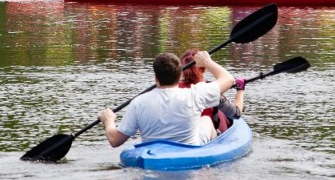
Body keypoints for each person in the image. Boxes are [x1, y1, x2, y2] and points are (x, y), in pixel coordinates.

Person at [98, 51, 234, 147]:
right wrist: (207, 62)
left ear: (156, 77)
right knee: (205, 120)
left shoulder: (138, 102)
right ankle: (212, 151)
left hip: (154, 152)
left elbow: (115, 140)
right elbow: (228, 79)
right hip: (188, 150)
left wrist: (109, 121)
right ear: (180, 74)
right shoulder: (195, 94)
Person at [179, 49, 245, 134]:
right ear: (204, 69)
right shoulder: (207, 91)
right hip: (204, 136)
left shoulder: (173, 89)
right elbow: (236, 113)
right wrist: (240, 89)